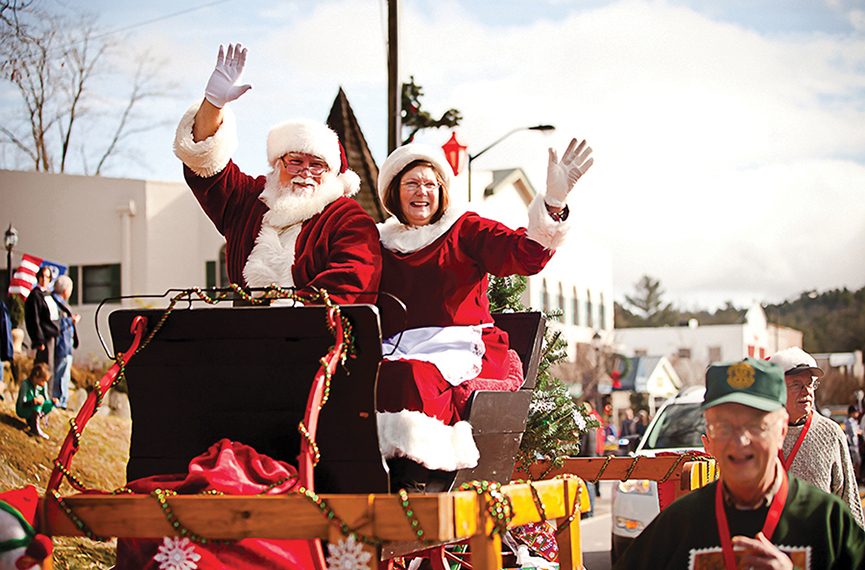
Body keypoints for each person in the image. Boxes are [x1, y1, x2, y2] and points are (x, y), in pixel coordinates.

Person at [374, 139, 592, 477]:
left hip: (456, 345)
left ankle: (421, 471)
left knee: (412, 376)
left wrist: (553, 201)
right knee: (367, 378)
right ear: (394, 192)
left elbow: (523, 254)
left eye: (430, 184)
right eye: (412, 183)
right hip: (396, 346)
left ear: (442, 190)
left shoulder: (464, 229)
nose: (422, 192)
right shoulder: (380, 243)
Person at [173, 43, 381, 305]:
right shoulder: (249, 200)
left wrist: (285, 314)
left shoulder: (348, 219)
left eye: (317, 165)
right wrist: (213, 104)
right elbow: (205, 165)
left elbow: (351, 283)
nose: (305, 172)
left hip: (319, 336)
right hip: (243, 336)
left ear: (332, 173)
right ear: (277, 163)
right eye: (295, 161)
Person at [612, 358, 865, 569]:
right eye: (722, 426)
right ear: (708, 439)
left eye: (755, 425)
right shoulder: (678, 525)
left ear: (781, 430)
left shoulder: (826, 520)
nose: (739, 441)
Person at [768, 347, 865, 528]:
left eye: (810, 384)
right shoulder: (761, 433)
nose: (806, 391)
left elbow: (848, 498)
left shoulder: (831, 433)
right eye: (796, 384)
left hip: (820, 546)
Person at [51, 275, 79, 410]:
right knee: (61, 374)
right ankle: (59, 401)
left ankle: (62, 400)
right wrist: (70, 321)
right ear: (65, 290)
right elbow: (55, 324)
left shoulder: (60, 303)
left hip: (65, 344)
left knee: (63, 374)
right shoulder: (56, 303)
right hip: (61, 344)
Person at [23, 266, 59, 370]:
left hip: (52, 336)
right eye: (42, 276)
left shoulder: (48, 295)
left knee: (51, 369)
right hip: (44, 338)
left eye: (47, 277)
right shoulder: (35, 295)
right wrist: (39, 340)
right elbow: (33, 319)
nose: (44, 279)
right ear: (38, 277)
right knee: (44, 369)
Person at [16, 362, 56, 439]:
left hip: (35, 408)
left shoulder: (43, 386)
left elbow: (46, 399)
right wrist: (33, 402)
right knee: (37, 405)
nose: (44, 383)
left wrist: (52, 402)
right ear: (35, 377)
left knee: (50, 404)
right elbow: (22, 403)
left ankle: (33, 420)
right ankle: (35, 429)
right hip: (23, 409)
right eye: (43, 380)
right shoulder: (25, 384)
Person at [843, 405, 861, 483]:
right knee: (855, 463)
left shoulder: (852, 421)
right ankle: (856, 478)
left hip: (853, 444)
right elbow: (854, 432)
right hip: (852, 445)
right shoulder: (849, 421)